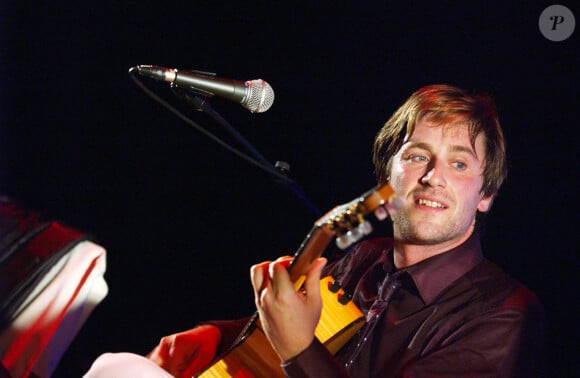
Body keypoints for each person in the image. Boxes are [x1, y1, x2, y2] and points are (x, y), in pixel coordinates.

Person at [84, 84, 546, 377]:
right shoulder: (364, 259)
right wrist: (216, 335)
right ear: (389, 177)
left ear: (485, 195)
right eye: (416, 155)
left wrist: (298, 348)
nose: (433, 176)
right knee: (117, 368)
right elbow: (276, 341)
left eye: (459, 163)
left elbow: (296, 343)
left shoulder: (504, 315)